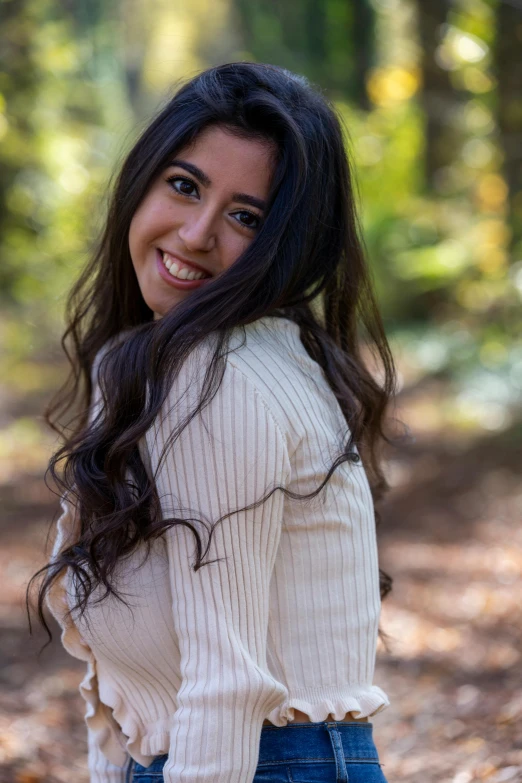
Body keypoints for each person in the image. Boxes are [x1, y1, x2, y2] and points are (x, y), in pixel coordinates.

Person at [28, 61, 398, 783]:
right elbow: (134, 685)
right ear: (142, 181)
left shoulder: (212, 373)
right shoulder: (222, 357)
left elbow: (227, 679)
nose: (196, 234)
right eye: (185, 185)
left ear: (286, 243)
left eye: (245, 217)